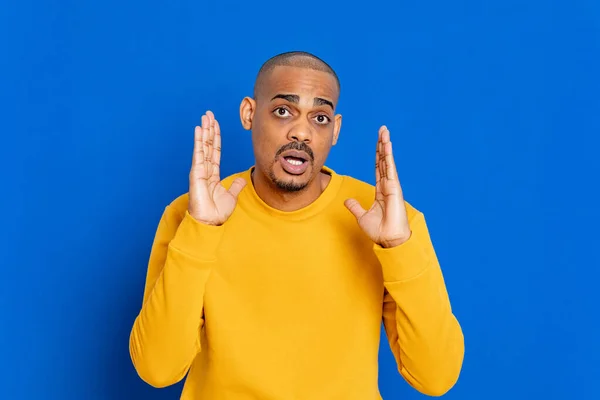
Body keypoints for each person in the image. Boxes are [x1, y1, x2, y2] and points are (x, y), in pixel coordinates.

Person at [129, 51, 464, 399]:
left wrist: (399, 247)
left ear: (335, 131)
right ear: (249, 113)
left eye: (319, 117)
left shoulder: (389, 220)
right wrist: (201, 230)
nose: (301, 132)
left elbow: (435, 377)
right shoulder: (191, 214)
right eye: (283, 111)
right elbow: (158, 369)